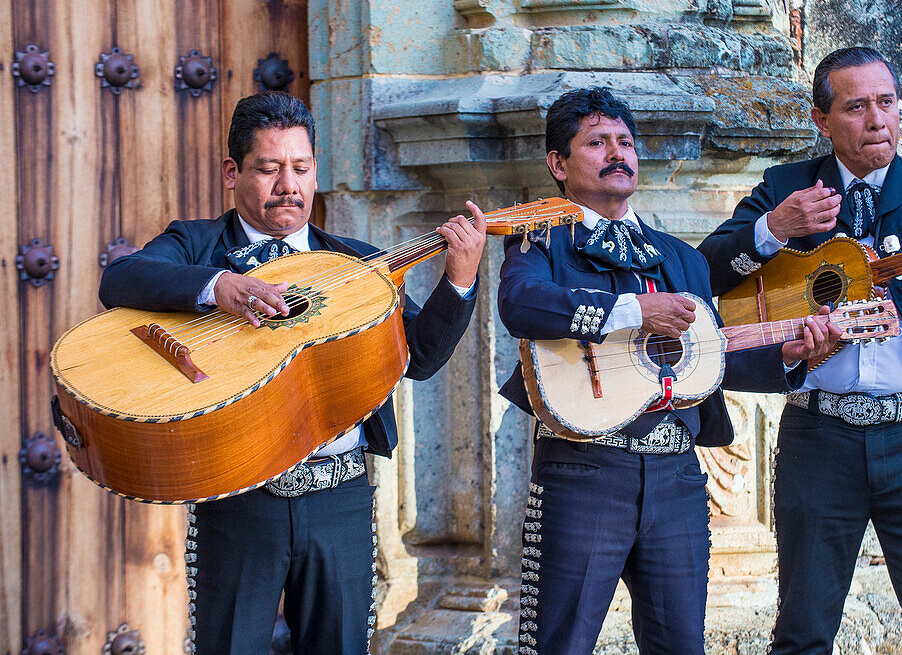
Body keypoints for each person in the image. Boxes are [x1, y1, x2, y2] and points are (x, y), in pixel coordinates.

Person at [99, 91, 486, 654]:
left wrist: (460, 278)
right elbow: (121, 280)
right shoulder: (197, 243)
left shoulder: (355, 264)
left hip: (340, 496)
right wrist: (216, 286)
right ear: (233, 172)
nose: (289, 185)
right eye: (269, 168)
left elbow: (421, 359)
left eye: (301, 168)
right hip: (237, 496)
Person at [496, 87, 839, 654]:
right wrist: (634, 311)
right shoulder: (541, 239)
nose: (617, 153)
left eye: (625, 142)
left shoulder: (678, 257)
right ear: (558, 164)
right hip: (582, 474)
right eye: (597, 142)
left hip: (676, 478)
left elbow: (708, 359)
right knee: (558, 645)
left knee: (682, 646)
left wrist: (788, 357)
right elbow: (520, 304)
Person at [698, 47, 902, 654]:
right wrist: (773, 230)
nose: (877, 120)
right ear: (822, 119)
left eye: (886, 103)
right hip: (820, 439)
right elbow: (706, 275)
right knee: (802, 635)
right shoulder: (786, 188)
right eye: (856, 106)